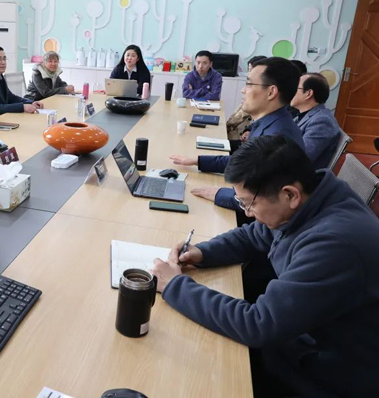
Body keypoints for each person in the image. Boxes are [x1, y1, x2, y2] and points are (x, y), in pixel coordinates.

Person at [152, 135, 379, 398]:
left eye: (249, 203)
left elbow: (259, 324)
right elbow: (253, 235)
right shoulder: (313, 199)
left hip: (330, 374)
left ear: (290, 194)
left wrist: (175, 286)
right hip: (305, 337)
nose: (247, 213)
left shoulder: (333, 245)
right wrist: (202, 252)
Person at [170, 57, 305, 210]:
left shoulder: (278, 137)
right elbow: (244, 162)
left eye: (249, 84)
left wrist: (220, 194)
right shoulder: (270, 123)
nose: (243, 90)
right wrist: (197, 161)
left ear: (271, 92)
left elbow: (264, 202)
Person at [290, 73, 341, 169]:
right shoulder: (305, 115)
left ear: (308, 93)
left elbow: (300, 159)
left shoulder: (322, 122)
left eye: (295, 88)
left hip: (297, 175)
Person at [227, 55, 266, 142]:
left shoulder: (259, 90)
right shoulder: (250, 86)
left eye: (251, 70)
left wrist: (228, 126)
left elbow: (243, 114)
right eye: (249, 70)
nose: (249, 73)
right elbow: (239, 110)